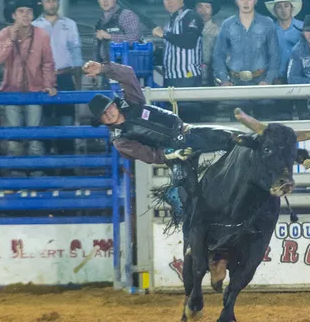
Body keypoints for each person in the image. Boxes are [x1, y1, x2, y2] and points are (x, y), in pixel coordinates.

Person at [83, 59, 236, 225]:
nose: (109, 114)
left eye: (109, 109)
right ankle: (190, 230)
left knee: (230, 138)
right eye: (103, 115)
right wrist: (170, 154)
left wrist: (104, 68)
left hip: (185, 131)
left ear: (114, 104)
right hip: (174, 153)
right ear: (101, 121)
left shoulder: (132, 101)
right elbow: (149, 155)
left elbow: (127, 74)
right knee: (190, 203)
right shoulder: (120, 140)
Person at [0, 0, 57, 175]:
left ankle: (36, 178)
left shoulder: (41, 35)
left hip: (35, 91)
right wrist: (10, 40)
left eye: (29, 11)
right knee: (14, 139)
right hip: (11, 92)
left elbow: (48, 63)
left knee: (35, 138)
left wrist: (49, 84)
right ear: (13, 15)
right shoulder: (4, 33)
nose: (25, 15)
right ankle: (16, 178)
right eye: (21, 11)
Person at [213, 0, 280, 120]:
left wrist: (267, 81)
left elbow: (275, 55)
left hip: (261, 81)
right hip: (236, 82)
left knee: (264, 130)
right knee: (239, 132)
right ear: (236, 1)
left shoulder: (267, 23)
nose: (245, 2)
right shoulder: (228, 25)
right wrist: (224, 80)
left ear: (255, 0)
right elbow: (218, 55)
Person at [33, 0, 83, 154]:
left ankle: (66, 164)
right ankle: (49, 164)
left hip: (65, 76)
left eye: (54, 1)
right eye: (48, 1)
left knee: (66, 121)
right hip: (42, 79)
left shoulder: (69, 25)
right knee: (45, 120)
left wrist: (78, 80)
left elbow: (76, 54)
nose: (52, 4)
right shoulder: (34, 27)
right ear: (42, 3)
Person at [152, 0, 204, 122]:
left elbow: (189, 41)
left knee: (189, 123)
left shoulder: (191, 16)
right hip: (171, 79)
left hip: (188, 78)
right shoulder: (170, 22)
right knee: (174, 124)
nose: (169, 1)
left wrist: (164, 34)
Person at [265, 0, 304, 119]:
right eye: (279, 7)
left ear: (291, 8)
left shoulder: (303, 28)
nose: (283, 10)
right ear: (275, 11)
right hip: (279, 80)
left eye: (286, 6)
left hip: (302, 79)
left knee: (306, 117)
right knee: (283, 119)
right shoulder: (269, 31)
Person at [90, 0, 141, 64]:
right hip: (107, 70)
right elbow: (98, 48)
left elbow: (135, 39)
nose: (105, 0)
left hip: (126, 70)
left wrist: (110, 36)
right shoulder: (100, 23)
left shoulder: (126, 15)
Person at [194, 0, 220, 87]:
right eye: (200, 6)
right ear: (195, 9)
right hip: (192, 79)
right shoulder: (189, 31)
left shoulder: (218, 32)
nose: (203, 11)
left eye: (207, 7)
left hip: (212, 81)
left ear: (212, 10)